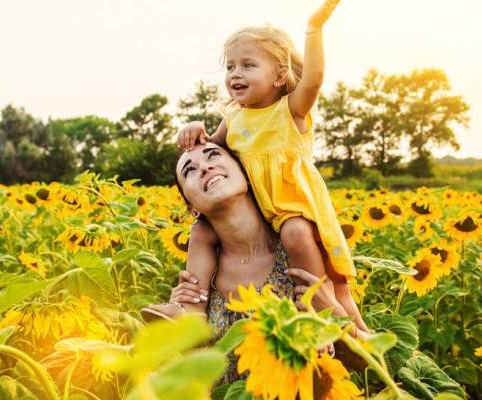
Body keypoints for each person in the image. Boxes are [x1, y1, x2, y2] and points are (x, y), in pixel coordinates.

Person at [147, 0, 366, 331]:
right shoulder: (234, 119)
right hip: (261, 210)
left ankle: (324, 315)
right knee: (202, 229)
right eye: (231, 67)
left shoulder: (290, 111)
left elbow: (314, 79)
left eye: (248, 65)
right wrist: (193, 128)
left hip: (297, 210)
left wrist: (314, 29)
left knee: (330, 279)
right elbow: (208, 152)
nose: (236, 73)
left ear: (279, 75)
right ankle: (189, 305)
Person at [146, 142, 367, 384]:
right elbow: (199, 367)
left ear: (247, 174)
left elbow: (373, 361)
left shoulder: (302, 245)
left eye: (213, 156)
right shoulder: (203, 270)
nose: (205, 167)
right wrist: (183, 322)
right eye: (189, 170)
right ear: (192, 208)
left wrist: (337, 320)